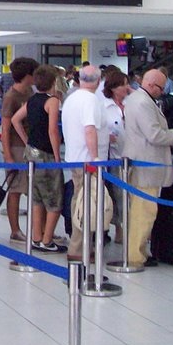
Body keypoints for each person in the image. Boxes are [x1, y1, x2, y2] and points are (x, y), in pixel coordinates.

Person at [122, 69, 173, 267]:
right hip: (146, 164)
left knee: (139, 211)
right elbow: (154, 135)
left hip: (140, 161)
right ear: (151, 85)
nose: (161, 92)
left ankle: (138, 251)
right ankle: (136, 256)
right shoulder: (143, 103)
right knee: (144, 212)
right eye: (160, 88)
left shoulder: (136, 99)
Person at [11, 65, 64, 253]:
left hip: (32, 154)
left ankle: (36, 237)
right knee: (54, 198)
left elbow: (15, 119)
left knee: (37, 198)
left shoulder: (31, 100)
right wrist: (57, 156)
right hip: (46, 154)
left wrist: (27, 141)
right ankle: (47, 239)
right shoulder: (52, 101)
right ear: (53, 82)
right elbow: (53, 130)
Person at [62, 64, 104, 261]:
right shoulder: (90, 100)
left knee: (79, 201)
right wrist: (95, 159)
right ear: (98, 80)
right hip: (86, 161)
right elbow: (89, 130)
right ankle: (78, 249)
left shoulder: (72, 98)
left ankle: (81, 245)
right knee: (86, 204)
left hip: (74, 157)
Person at [0, 57, 38, 242]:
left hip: (31, 145)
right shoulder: (11, 97)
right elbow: (5, 128)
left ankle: (37, 229)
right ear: (27, 76)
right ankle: (15, 230)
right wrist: (8, 155)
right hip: (16, 147)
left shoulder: (30, 92)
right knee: (15, 189)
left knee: (34, 188)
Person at [98, 68, 132, 244]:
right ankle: (119, 228)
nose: (127, 88)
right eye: (123, 85)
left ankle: (133, 228)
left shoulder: (131, 104)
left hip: (134, 156)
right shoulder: (104, 107)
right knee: (118, 195)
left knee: (133, 195)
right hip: (115, 157)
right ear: (113, 87)